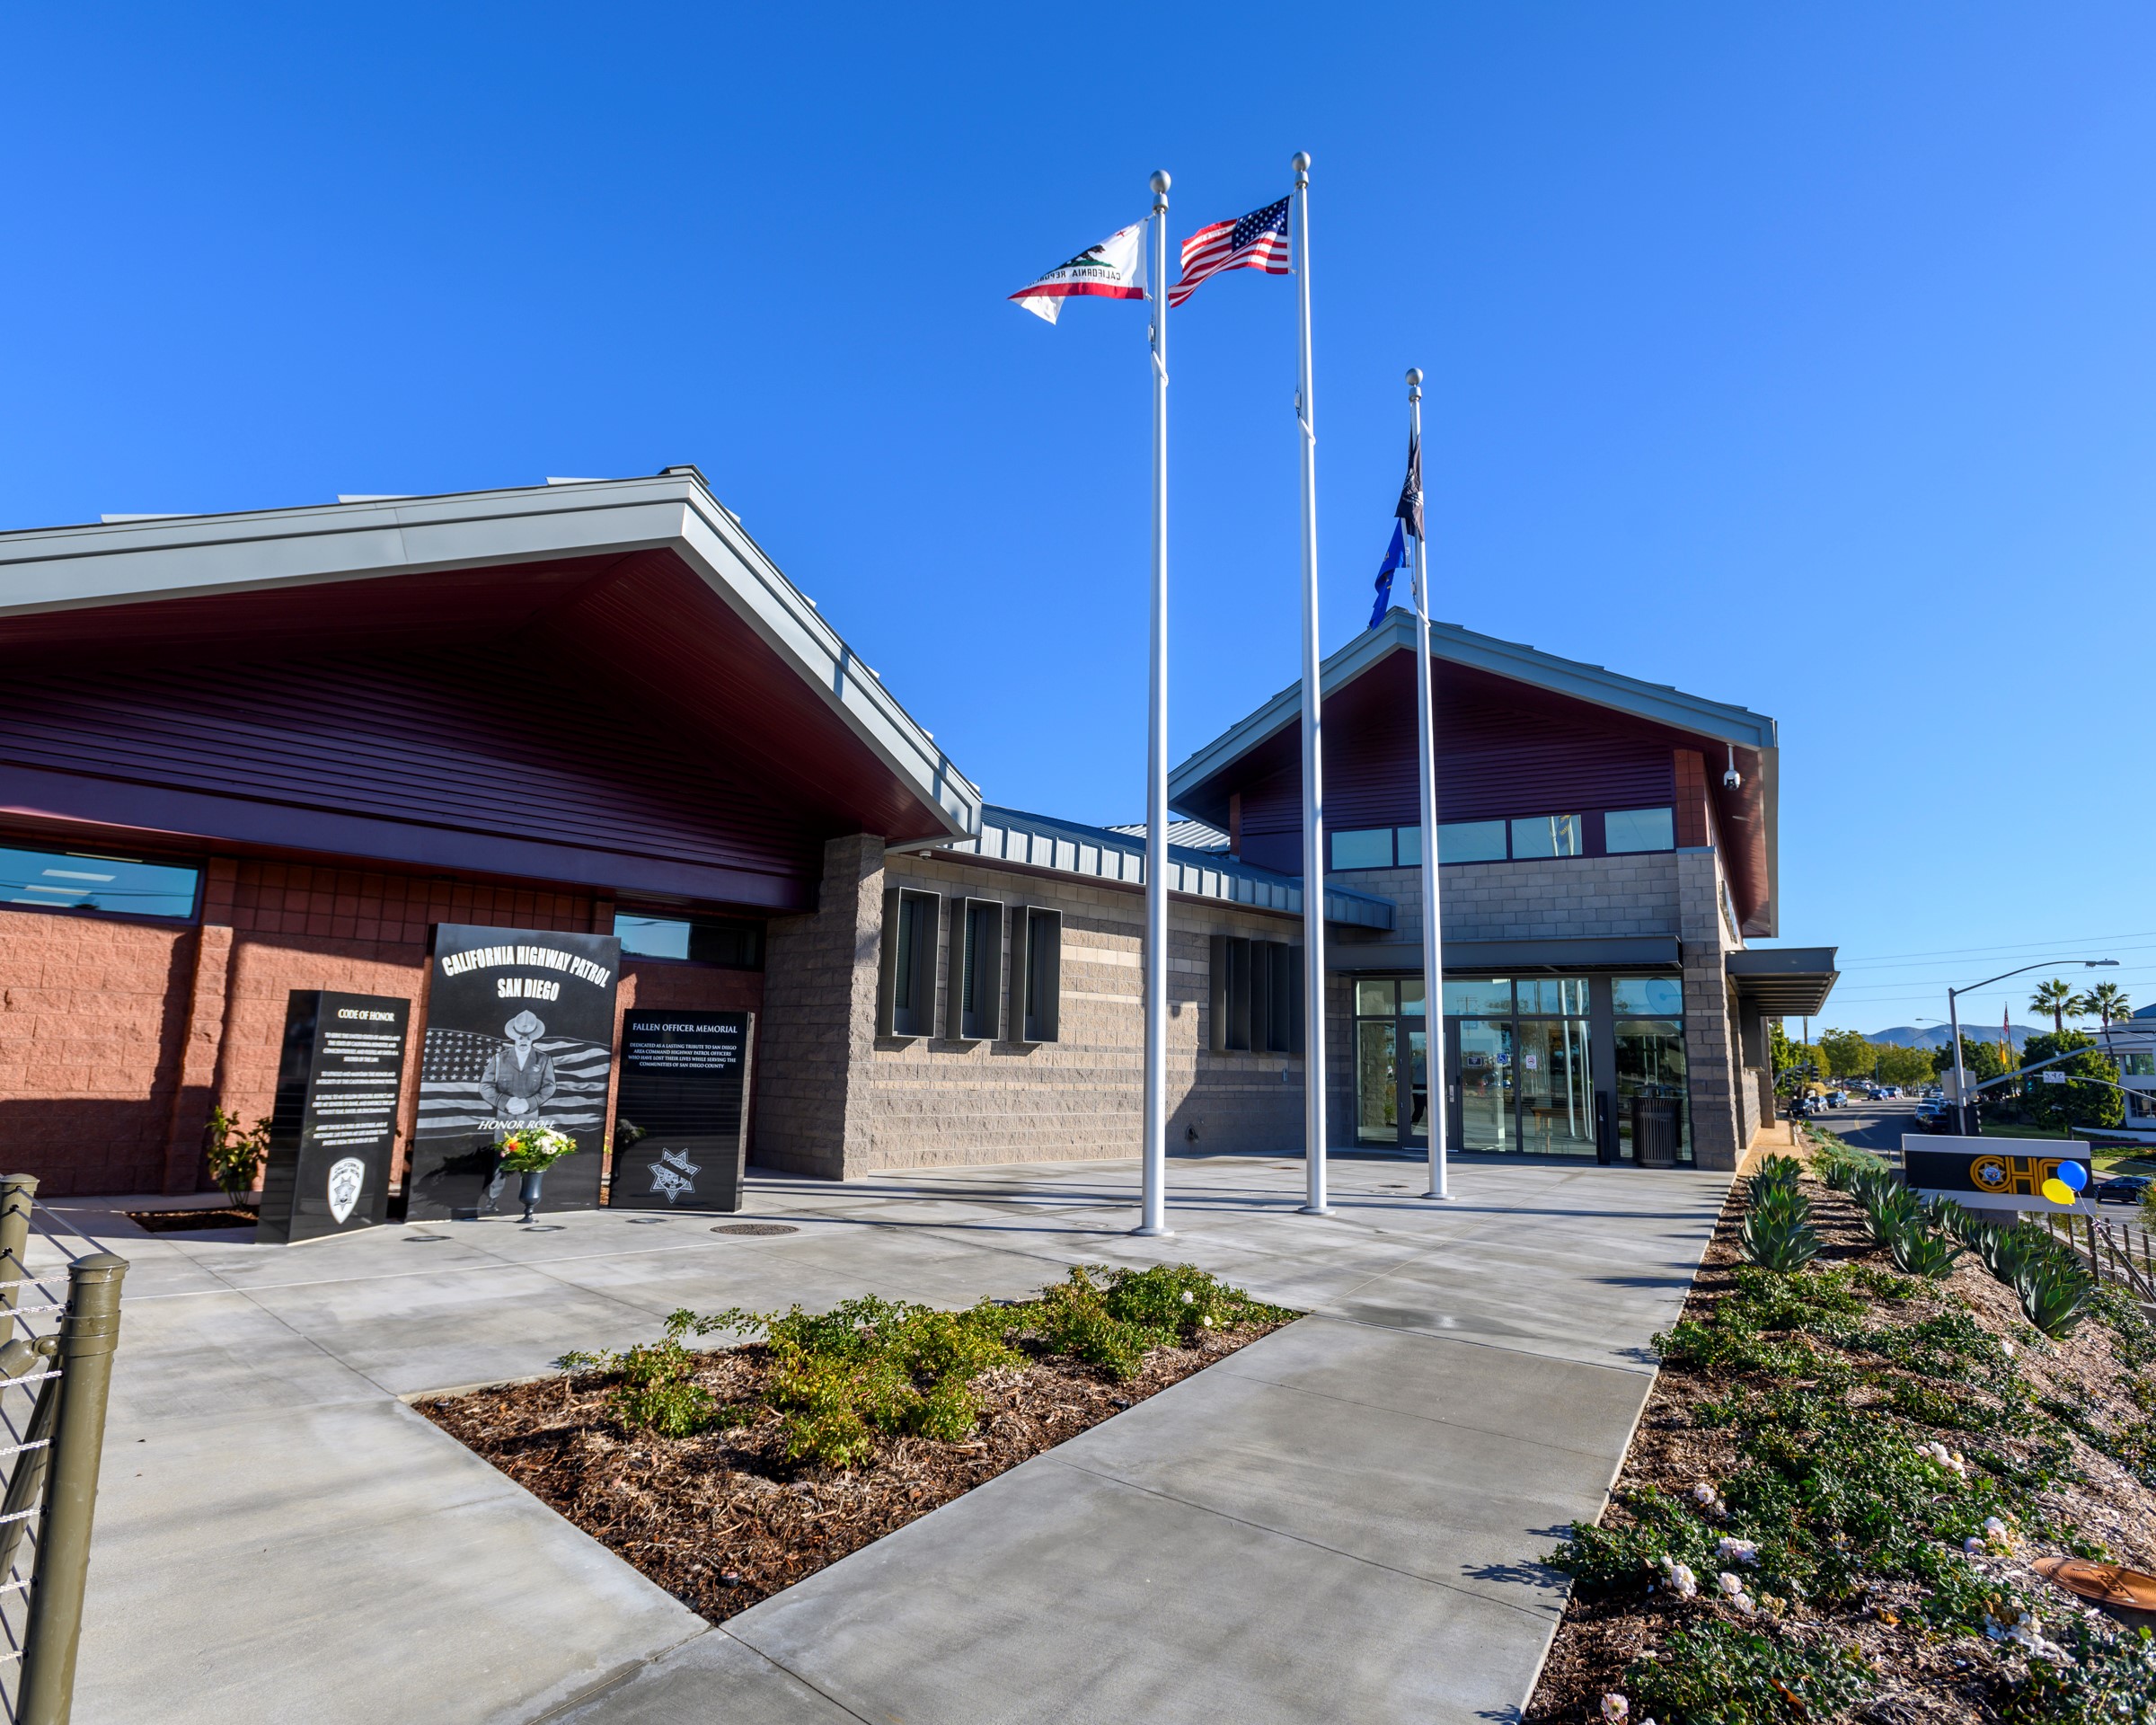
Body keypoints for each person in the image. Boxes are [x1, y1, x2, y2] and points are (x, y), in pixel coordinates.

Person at [480, 1009, 558, 1120]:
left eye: (528, 1038)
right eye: (520, 1037)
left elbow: (550, 1086)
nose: (523, 1041)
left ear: (534, 1038)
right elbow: (485, 1086)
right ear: (514, 1036)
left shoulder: (543, 1060)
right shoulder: (499, 1059)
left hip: (530, 1117)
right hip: (504, 1117)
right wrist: (505, 1102)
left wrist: (529, 1103)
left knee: (532, 1139)